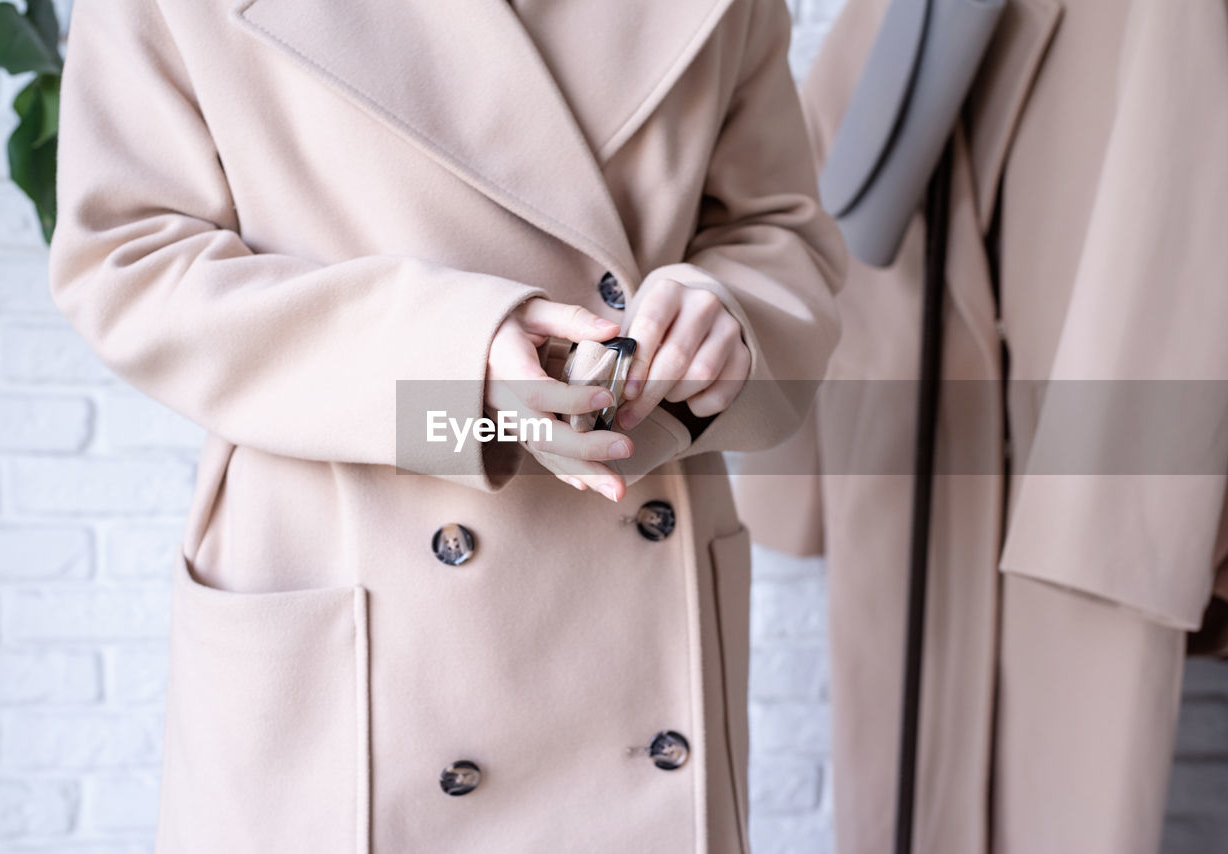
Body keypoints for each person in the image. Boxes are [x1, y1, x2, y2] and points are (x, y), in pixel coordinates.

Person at [47, 0, 845, 851]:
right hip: (357, 577)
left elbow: (779, 232)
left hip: (630, 541)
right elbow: (127, 261)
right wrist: (449, 368)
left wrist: (725, 320)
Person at [733, 0, 1228, 852]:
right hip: (913, 443)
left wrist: (1142, 528)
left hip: (1091, 465)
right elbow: (825, 164)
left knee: (1069, 786)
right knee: (912, 763)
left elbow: (1183, 229)